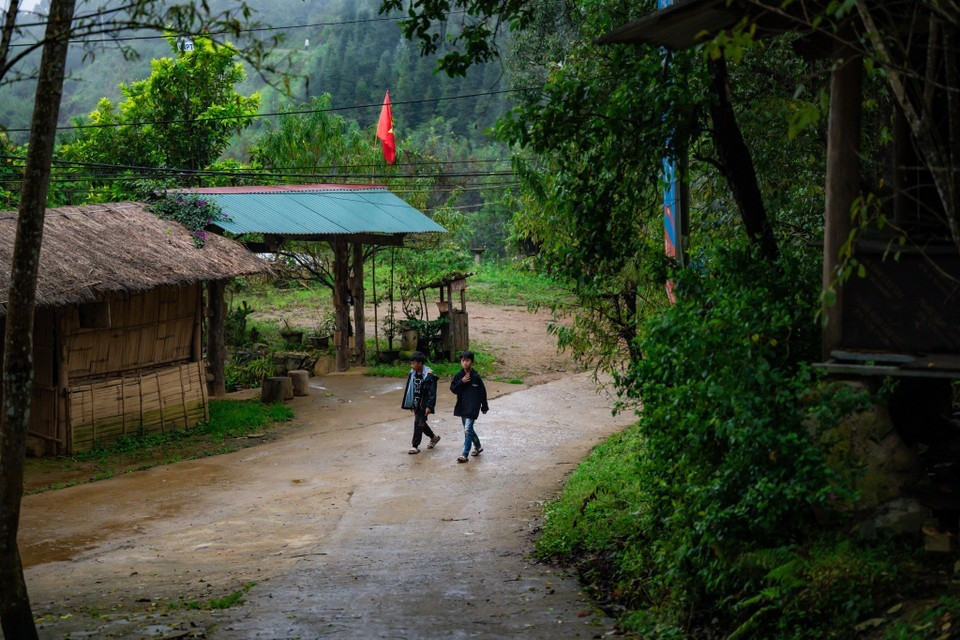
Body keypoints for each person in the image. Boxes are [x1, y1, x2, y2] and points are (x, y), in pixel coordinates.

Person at [449, 349, 489, 463]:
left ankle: (464, 454)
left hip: (473, 408)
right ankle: (478, 446)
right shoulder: (459, 376)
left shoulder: (476, 377)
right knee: (469, 430)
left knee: (467, 429)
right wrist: (462, 381)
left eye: (467, 360)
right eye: (462, 361)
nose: (465, 363)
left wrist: (484, 406)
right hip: (463, 407)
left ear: (472, 362)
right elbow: (453, 389)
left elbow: (482, 392)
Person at [401, 351, 440, 454]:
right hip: (416, 403)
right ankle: (433, 437)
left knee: (418, 422)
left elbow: (432, 393)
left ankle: (415, 445)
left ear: (420, 364)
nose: (412, 365)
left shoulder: (429, 376)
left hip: (424, 404)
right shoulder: (412, 373)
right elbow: (410, 388)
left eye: (413, 363)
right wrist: (410, 402)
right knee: (421, 423)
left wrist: (429, 406)